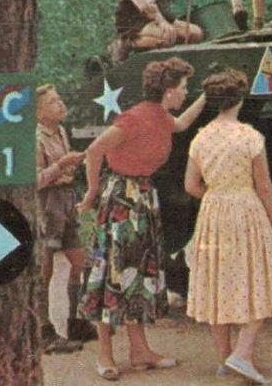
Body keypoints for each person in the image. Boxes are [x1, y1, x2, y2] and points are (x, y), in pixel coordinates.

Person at [78, 57, 207, 381]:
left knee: (137, 274)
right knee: (112, 272)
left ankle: (140, 352)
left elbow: (182, 124)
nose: (184, 94)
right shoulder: (133, 118)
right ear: (168, 90)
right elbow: (94, 150)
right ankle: (105, 354)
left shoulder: (162, 116)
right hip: (122, 197)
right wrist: (93, 191)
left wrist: (208, 94)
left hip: (143, 197)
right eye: (184, 88)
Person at [184, 68, 272, 385]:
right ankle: (242, 353)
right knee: (259, 278)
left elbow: (190, 185)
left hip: (213, 212)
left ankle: (224, 360)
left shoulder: (200, 138)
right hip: (246, 210)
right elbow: (265, 186)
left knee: (217, 281)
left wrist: (216, 198)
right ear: (238, 99)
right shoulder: (249, 136)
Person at [36, 84, 96, 353]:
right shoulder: (35, 138)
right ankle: (42, 329)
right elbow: (33, 181)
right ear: (38, 112)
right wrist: (60, 166)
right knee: (44, 269)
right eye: (52, 102)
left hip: (66, 200)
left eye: (60, 99)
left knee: (80, 262)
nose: (60, 104)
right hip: (47, 203)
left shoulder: (61, 131)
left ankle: (76, 320)